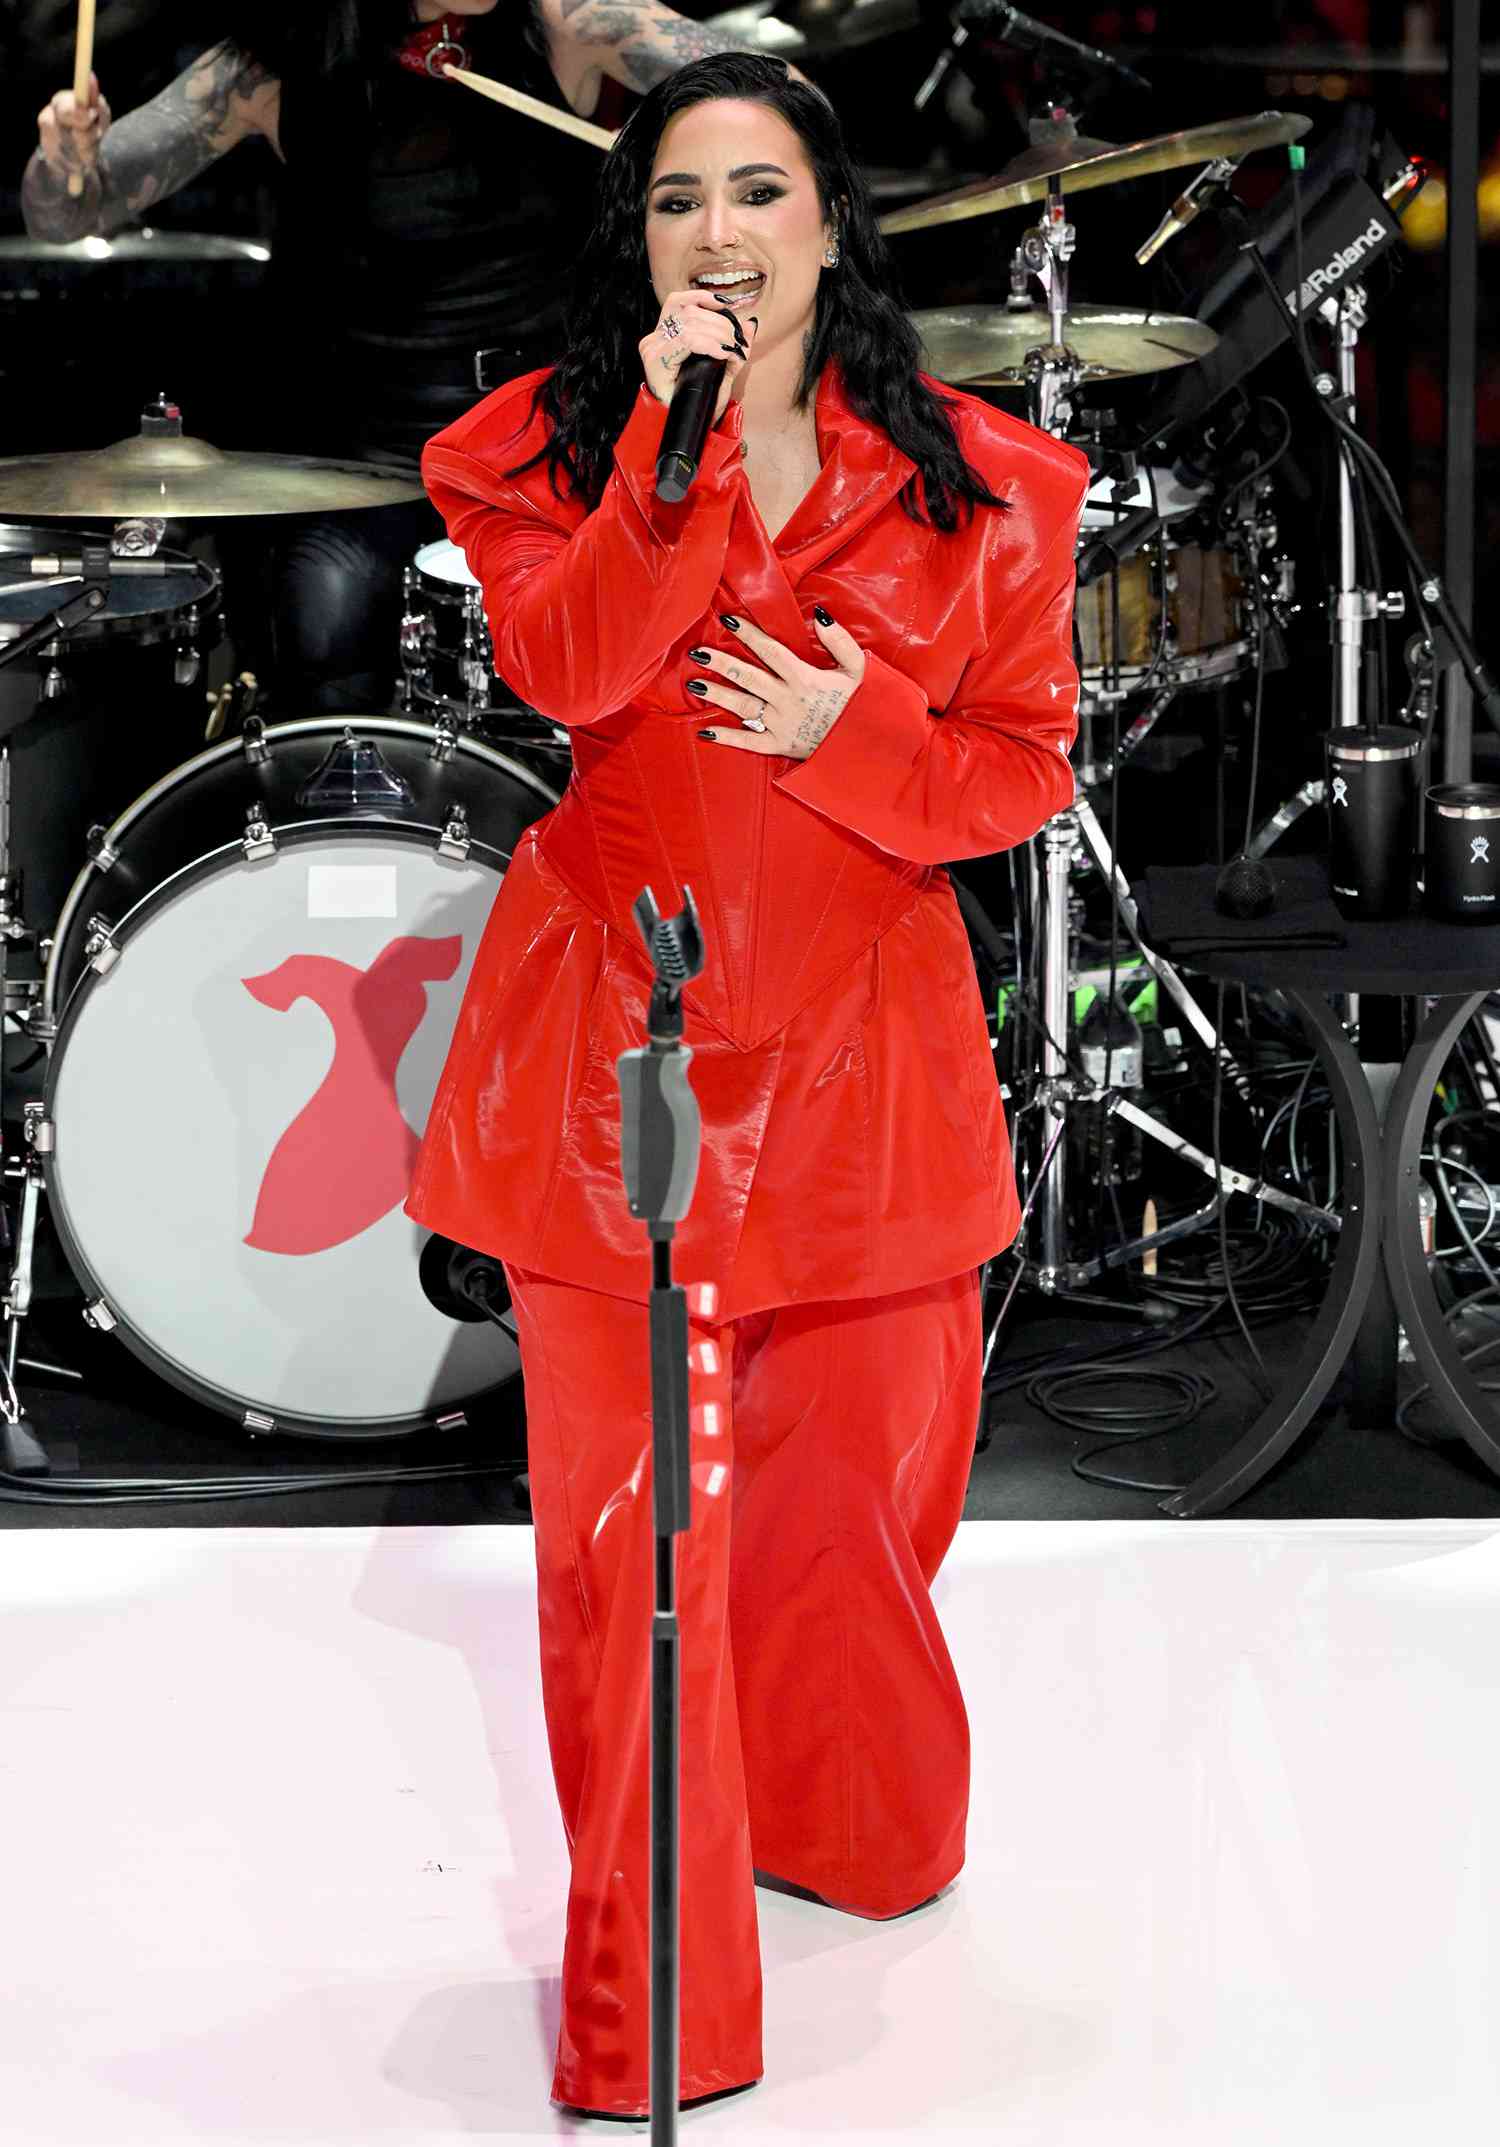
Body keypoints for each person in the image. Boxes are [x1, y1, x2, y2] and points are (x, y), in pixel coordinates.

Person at [410, 49, 1088, 2120]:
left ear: (832, 221)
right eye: (677, 200)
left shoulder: (986, 485)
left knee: (855, 1511)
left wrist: (853, 724)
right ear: (640, 243)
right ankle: (654, 2019)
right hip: (620, 1056)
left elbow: (1022, 768)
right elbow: (580, 672)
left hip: (874, 1067)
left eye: (759, 191)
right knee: (635, 1554)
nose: (719, 234)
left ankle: (846, 1819)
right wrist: (675, 448)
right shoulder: (545, 450)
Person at [18, 1, 770, 710]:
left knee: (593, 644)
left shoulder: (567, 21)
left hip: (542, 442)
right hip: (365, 459)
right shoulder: (270, 68)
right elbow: (66, 212)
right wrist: (64, 160)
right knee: (322, 620)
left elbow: (781, 102)